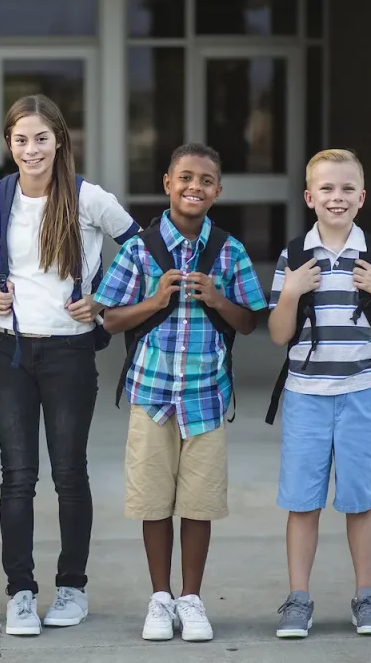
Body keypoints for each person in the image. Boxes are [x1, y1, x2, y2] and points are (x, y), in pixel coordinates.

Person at [0, 94, 140, 636]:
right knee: (18, 477)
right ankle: (20, 591)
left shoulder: (88, 198)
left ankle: (72, 587)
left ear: (60, 141)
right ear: (8, 145)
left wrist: (104, 302)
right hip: (11, 351)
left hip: (70, 351)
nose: (31, 149)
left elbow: (141, 248)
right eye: (21, 139)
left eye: (41, 138)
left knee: (69, 475)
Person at [94, 142, 267, 642]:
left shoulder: (229, 251)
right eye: (185, 178)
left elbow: (250, 321)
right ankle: (160, 598)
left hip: (207, 397)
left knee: (198, 503)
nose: (195, 187)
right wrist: (154, 300)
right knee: (153, 501)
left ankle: (191, 598)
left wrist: (218, 299)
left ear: (218, 191)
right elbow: (109, 318)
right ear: (168, 183)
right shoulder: (140, 249)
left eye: (206, 180)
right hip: (151, 395)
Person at [267, 149, 371, 639]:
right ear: (309, 198)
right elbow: (279, 335)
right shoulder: (295, 256)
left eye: (347, 189)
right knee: (302, 502)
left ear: (362, 197)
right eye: (326, 189)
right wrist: (290, 293)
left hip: (362, 393)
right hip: (307, 395)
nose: (337, 197)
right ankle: (298, 599)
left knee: (360, 500)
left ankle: (366, 595)